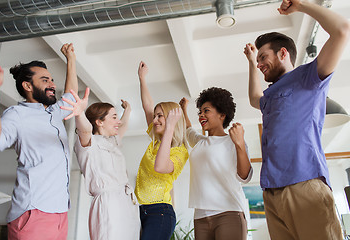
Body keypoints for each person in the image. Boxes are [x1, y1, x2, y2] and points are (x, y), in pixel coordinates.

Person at [243, 0, 350, 239]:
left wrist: (301, 6)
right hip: (272, 192)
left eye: (263, 57)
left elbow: (342, 29)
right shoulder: (269, 95)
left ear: (283, 53)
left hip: (304, 183)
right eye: (258, 60)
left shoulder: (308, 77)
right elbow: (254, 98)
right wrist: (251, 63)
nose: (260, 64)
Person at [0, 43, 77, 239]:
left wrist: (71, 60)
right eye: (45, 80)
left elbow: (71, 96)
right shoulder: (18, 114)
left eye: (52, 80)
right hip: (34, 212)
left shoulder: (54, 112)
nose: (52, 84)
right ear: (27, 86)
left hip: (60, 212)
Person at [61, 88, 140, 239]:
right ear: (99, 122)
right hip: (108, 203)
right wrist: (79, 114)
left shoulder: (112, 142)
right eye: (114, 117)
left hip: (126, 202)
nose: (119, 121)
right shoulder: (88, 143)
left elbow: (122, 126)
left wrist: (128, 110)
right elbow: (85, 129)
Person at [179, 87, 253, 240]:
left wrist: (239, 144)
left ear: (222, 115)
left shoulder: (233, 140)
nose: (201, 115)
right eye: (200, 112)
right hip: (200, 217)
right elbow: (188, 129)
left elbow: (245, 176)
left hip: (228, 213)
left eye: (206, 111)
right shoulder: (200, 142)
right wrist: (183, 109)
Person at [135, 61, 189, 240]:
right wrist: (142, 78)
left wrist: (170, 129)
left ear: (172, 122)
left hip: (160, 213)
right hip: (139, 209)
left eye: (160, 116)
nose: (155, 119)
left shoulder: (180, 151)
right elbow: (147, 107)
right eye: (156, 116)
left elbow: (160, 166)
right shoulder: (157, 141)